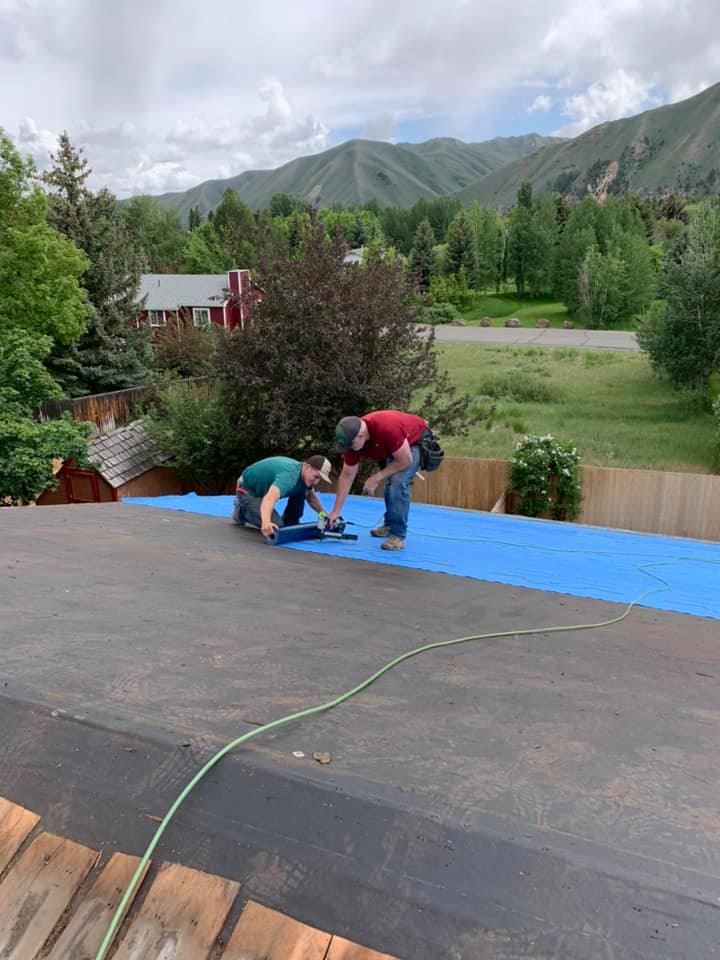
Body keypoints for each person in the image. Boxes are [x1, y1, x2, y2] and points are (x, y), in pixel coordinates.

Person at [328, 410, 431, 551]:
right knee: (389, 482)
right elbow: (347, 475)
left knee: (397, 483)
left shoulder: (386, 428)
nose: (349, 449)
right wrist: (335, 512)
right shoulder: (352, 440)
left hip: (414, 441)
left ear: (360, 436)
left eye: (350, 445)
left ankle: (398, 536)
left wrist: (375, 478)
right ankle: (389, 525)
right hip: (392, 445)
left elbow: (405, 460)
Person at [232, 454, 332, 539]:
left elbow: (311, 497)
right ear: (307, 467)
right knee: (277, 527)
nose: (316, 482)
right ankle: (241, 511)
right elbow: (269, 499)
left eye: (319, 479)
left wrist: (325, 514)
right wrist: (266, 522)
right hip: (248, 490)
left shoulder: (304, 475)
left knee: (303, 492)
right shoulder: (289, 476)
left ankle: (290, 521)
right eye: (316, 476)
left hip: (264, 490)